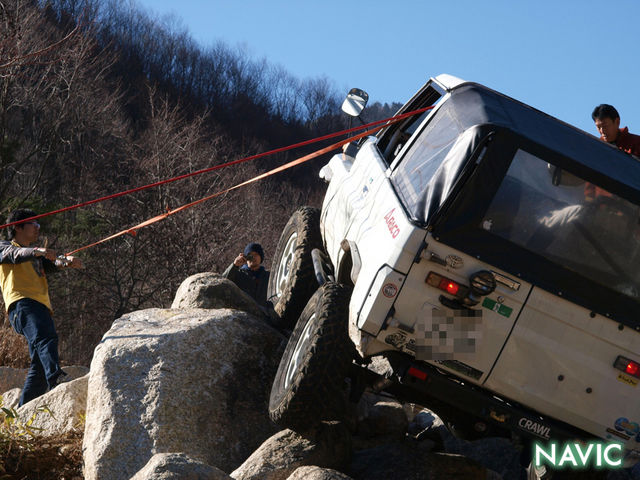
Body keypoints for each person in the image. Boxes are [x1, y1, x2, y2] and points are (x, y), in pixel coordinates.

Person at [0, 209, 83, 406]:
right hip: (22, 305)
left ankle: (23, 411)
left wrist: (66, 262)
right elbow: (15, 254)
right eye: (33, 224)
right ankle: (55, 377)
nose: (38, 227)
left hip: (38, 306)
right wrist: (38, 251)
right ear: (18, 227)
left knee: (37, 366)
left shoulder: (34, 256)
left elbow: (49, 263)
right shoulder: (4, 247)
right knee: (46, 337)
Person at [223, 242, 270, 308]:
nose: (253, 257)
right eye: (250, 255)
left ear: (261, 257)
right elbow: (223, 282)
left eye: (256, 254)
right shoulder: (238, 274)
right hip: (244, 314)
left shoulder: (269, 276)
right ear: (246, 257)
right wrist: (234, 265)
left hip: (265, 315)